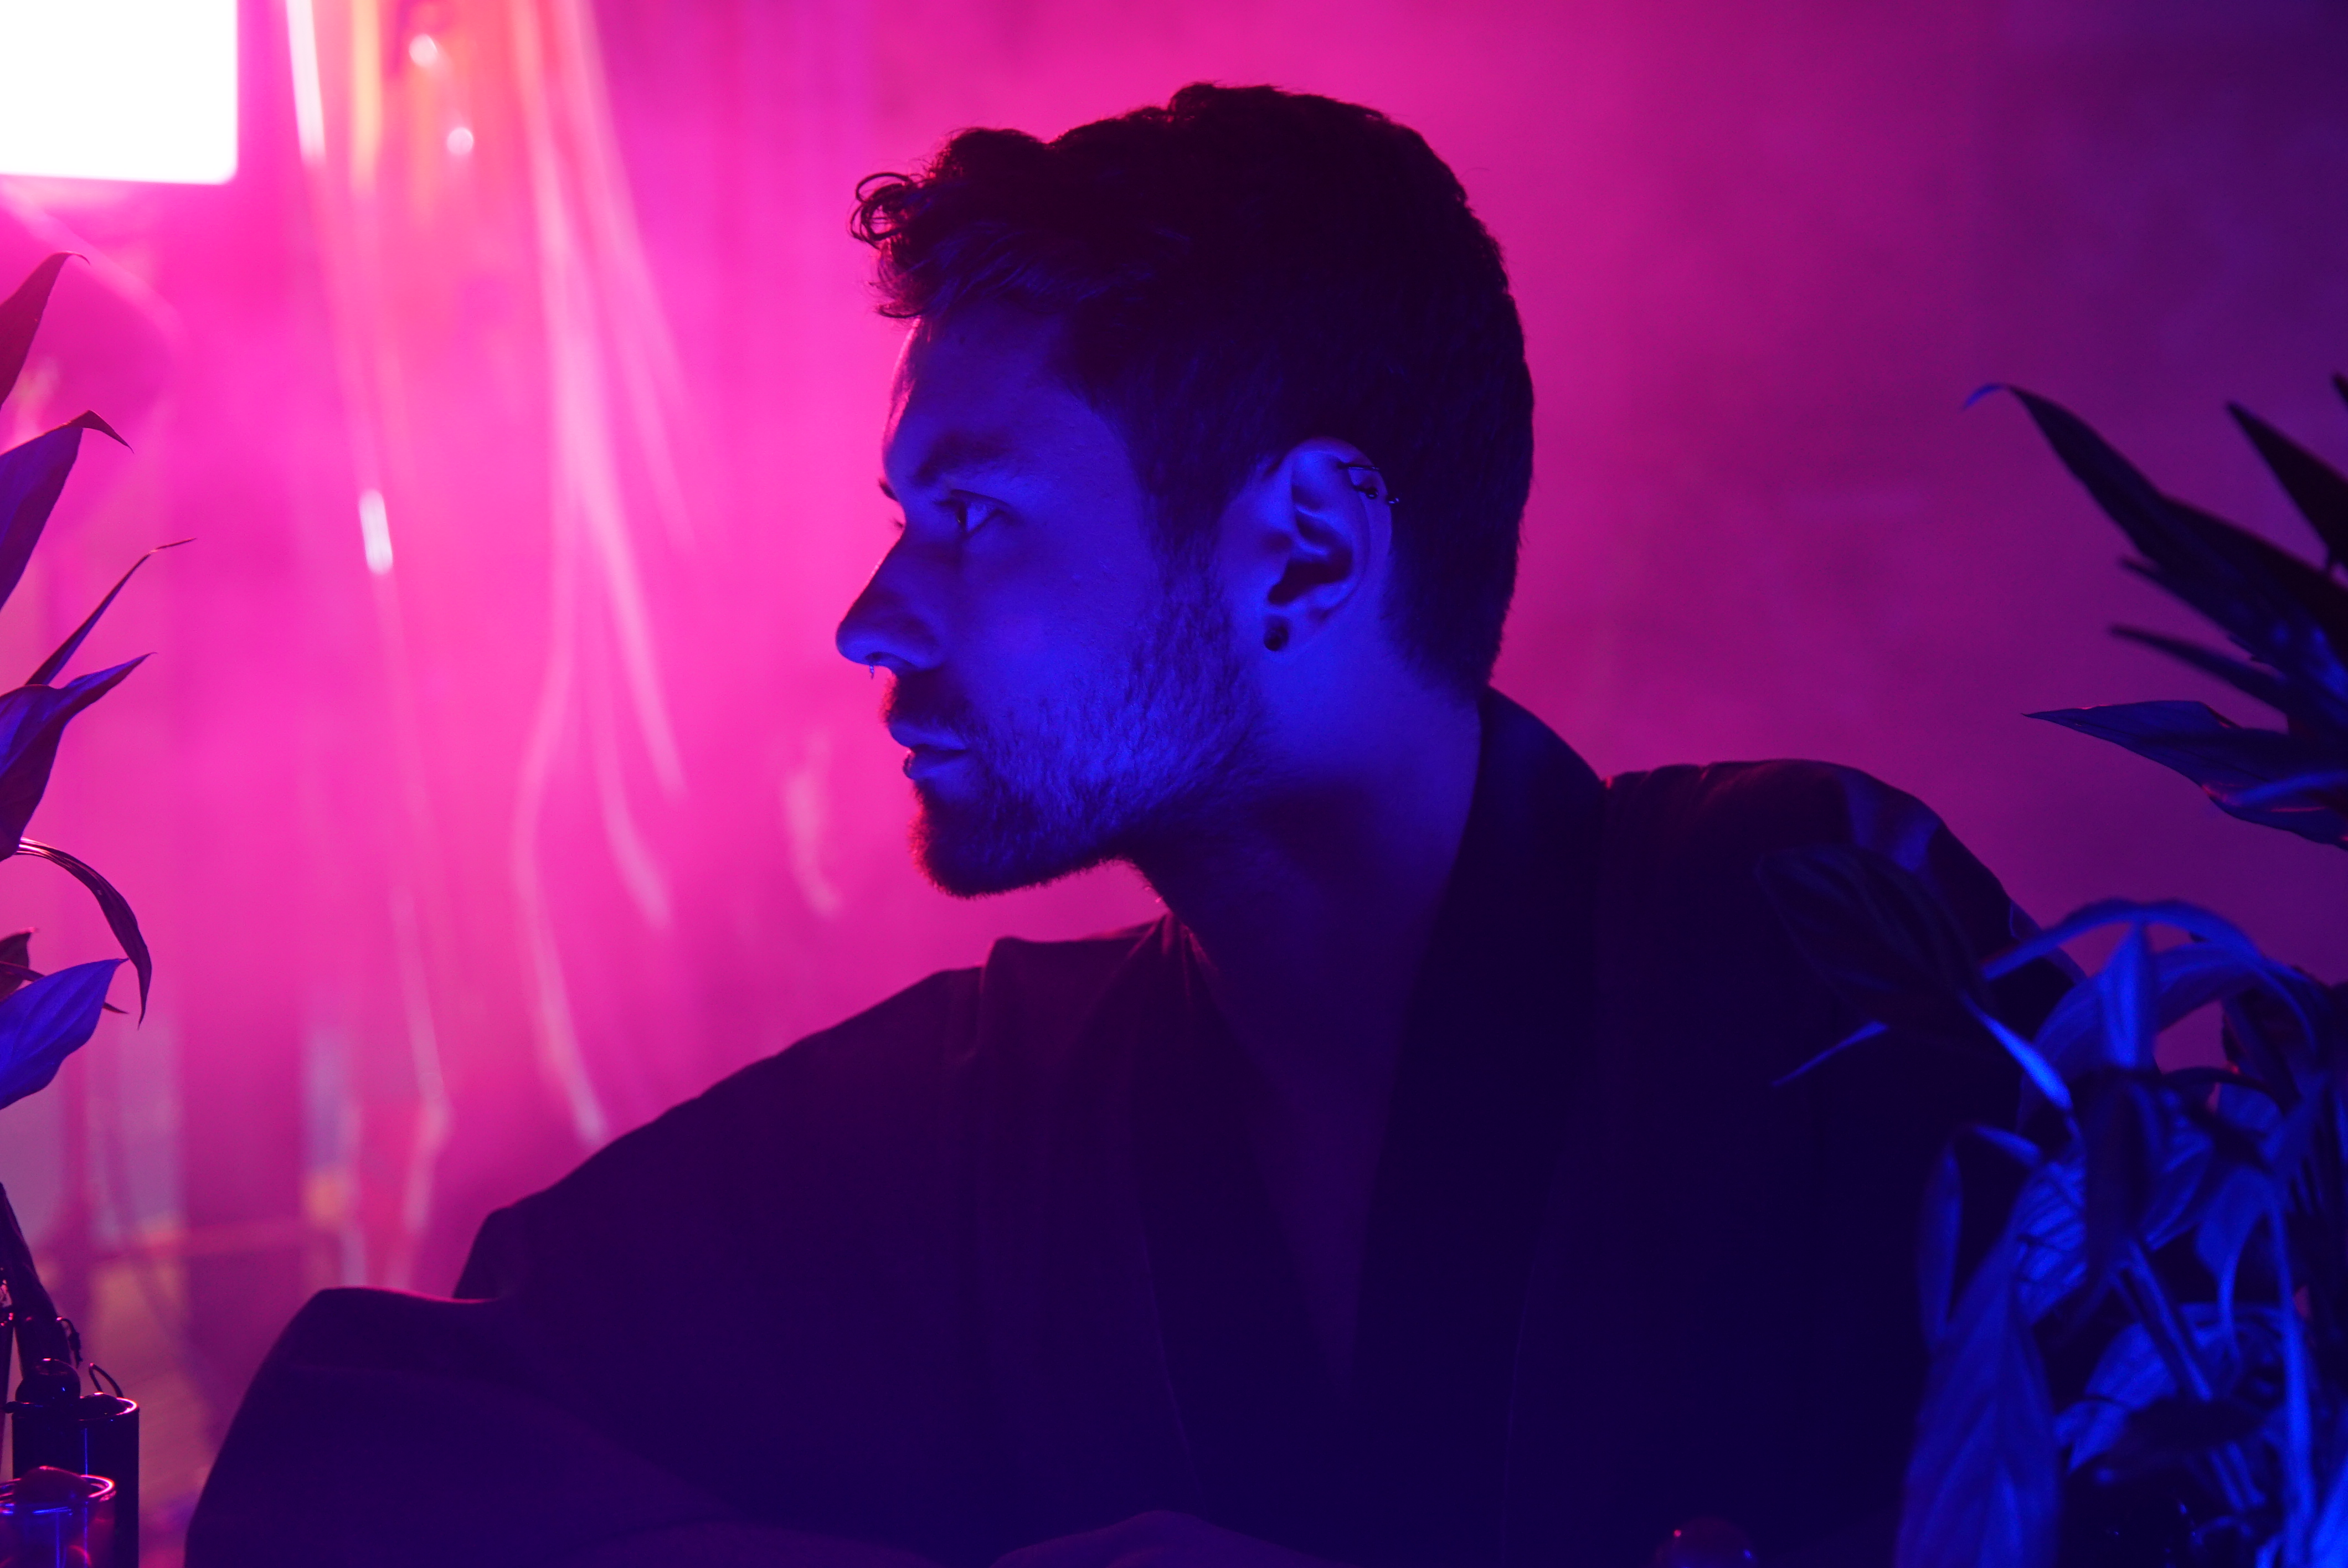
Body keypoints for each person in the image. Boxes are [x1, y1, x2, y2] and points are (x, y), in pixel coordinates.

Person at [188, 84, 2062, 1568]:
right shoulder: (990, 1112)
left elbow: (2152, 1465)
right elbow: (356, 1444)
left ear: (1304, 549)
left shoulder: (1802, 936)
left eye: (977, 516)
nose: (872, 619)